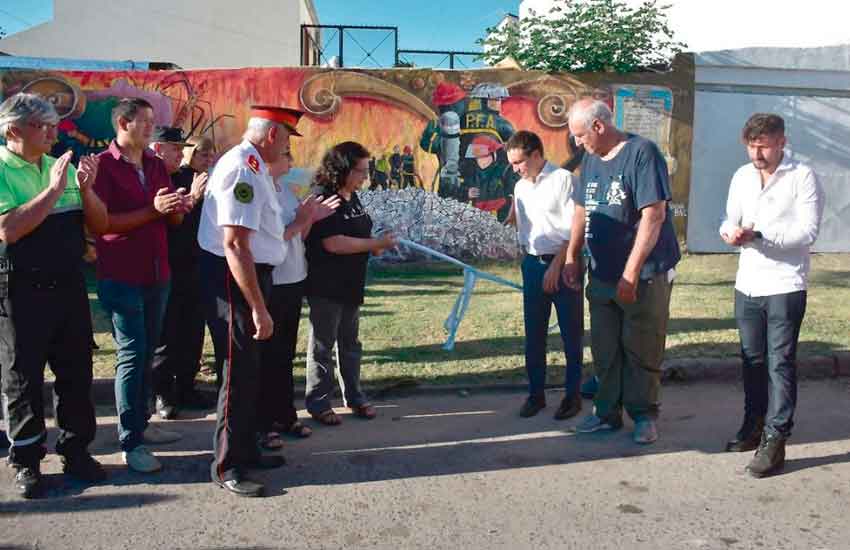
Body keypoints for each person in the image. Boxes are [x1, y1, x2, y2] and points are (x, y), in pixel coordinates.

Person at [0, 93, 108, 498]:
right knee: (23, 378)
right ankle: (26, 460)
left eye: (53, 125)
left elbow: (97, 225)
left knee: (76, 373)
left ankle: (76, 450)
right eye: (41, 126)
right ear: (13, 130)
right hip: (20, 289)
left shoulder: (56, 166)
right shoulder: (4, 169)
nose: (52, 133)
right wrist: (52, 190)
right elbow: (9, 229)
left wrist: (87, 189)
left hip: (68, 284)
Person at [564, 98, 681, 445]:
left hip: (641, 275)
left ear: (599, 127)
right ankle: (606, 413)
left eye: (581, 136)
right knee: (605, 349)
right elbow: (582, 209)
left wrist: (630, 274)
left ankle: (644, 415)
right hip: (601, 273)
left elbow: (654, 215)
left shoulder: (643, 153)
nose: (578, 143)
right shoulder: (591, 158)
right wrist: (572, 255)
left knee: (642, 348)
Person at [197, 105, 299, 497]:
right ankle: (226, 465)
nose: (289, 146)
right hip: (234, 280)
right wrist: (257, 307)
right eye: (288, 137)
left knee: (250, 370)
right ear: (273, 134)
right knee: (237, 372)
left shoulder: (253, 165)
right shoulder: (242, 168)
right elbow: (236, 244)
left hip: (251, 276)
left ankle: (245, 449)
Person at [719, 113, 824, 477]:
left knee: (780, 363)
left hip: (785, 283)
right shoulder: (742, 176)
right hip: (747, 282)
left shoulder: (802, 176)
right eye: (751, 145)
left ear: (781, 141)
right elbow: (727, 219)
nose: (756, 152)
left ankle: (776, 440)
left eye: (763, 144)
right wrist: (729, 232)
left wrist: (759, 234)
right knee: (752, 360)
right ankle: (753, 424)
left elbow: (807, 231)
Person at [93, 98, 189, 474]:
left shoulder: (154, 164)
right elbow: (102, 225)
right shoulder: (101, 167)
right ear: (123, 122)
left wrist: (179, 207)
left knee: (148, 351)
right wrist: (155, 210)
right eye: (145, 122)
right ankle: (129, 441)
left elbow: (172, 221)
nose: (151, 128)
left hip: (158, 273)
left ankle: (142, 425)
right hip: (121, 274)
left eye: (153, 122)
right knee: (132, 354)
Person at [304, 141, 397, 426]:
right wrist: (373, 243)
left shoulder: (351, 196)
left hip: (351, 284)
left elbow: (357, 235)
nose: (365, 178)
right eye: (360, 171)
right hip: (326, 285)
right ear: (342, 168)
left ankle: (354, 396)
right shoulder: (323, 197)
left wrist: (375, 245)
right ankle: (319, 402)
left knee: (350, 344)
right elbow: (333, 243)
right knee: (323, 345)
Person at [257, 147, 338, 450]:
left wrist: (310, 220)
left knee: (284, 355)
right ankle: (262, 424)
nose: (291, 160)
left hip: (294, 278)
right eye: (286, 154)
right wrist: (304, 218)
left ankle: (284, 415)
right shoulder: (261, 191)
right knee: (267, 357)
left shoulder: (287, 191)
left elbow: (298, 235)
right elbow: (268, 239)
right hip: (272, 281)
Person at [505, 130, 584, 420]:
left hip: (564, 265)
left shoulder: (564, 181)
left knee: (570, 335)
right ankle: (535, 395)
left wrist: (558, 265)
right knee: (534, 335)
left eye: (519, 163)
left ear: (536, 155)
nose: (515, 169)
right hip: (533, 264)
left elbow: (576, 229)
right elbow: (525, 225)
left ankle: (572, 397)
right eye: (512, 164)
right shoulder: (520, 187)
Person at [150, 130, 216, 419]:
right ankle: (163, 394)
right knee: (168, 334)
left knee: (192, 331)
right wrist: (193, 197)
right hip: (169, 266)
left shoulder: (201, 178)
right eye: (201, 153)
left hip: (197, 265)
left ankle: (187, 388)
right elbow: (172, 222)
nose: (207, 159)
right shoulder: (168, 178)